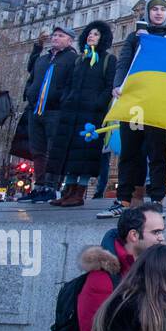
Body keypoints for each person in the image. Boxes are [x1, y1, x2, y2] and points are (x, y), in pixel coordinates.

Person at [101, 0, 166, 219]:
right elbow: (124, 61)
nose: (158, 13)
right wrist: (118, 84)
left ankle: (157, 199)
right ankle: (125, 199)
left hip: (158, 102)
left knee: (157, 151)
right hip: (135, 102)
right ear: (147, 13)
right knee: (130, 151)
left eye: (162, 9)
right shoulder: (134, 36)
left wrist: (152, 43)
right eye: (154, 9)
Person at [47, 21, 117, 207]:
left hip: (92, 114)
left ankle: (80, 191)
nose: (91, 36)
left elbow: (109, 86)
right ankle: (68, 190)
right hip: (71, 113)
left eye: (96, 34)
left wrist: (98, 104)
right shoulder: (80, 59)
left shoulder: (108, 60)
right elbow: (69, 83)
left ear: (103, 38)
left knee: (86, 154)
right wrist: (66, 99)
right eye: (90, 33)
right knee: (70, 153)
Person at [24, 25, 78, 202]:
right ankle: (39, 185)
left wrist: (64, 101)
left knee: (54, 149)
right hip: (36, 109)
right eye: (54, 35)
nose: (55, 38)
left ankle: (52, 186)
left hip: (56, 111)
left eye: (60, 36)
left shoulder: (73, 59)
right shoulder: (43, 59)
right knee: (37, 150)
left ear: (70, 40)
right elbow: (31, 75)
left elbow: (74, 84)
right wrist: (29, 94)